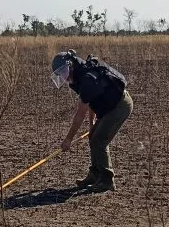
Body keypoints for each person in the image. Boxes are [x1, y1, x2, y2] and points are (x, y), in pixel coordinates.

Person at [51, 49, 133, 192]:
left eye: (63, 71)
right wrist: (91, 124)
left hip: (119, 105)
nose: (63, 77)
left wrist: (68, 139)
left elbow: (80, 114)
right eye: (60, 74)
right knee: (93, 136)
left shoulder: (87, 79)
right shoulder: (77, 77)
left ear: (70, 65)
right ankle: (95, 175)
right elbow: (92, 102)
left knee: (99, 140)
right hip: (106, 106)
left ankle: (107, 180)